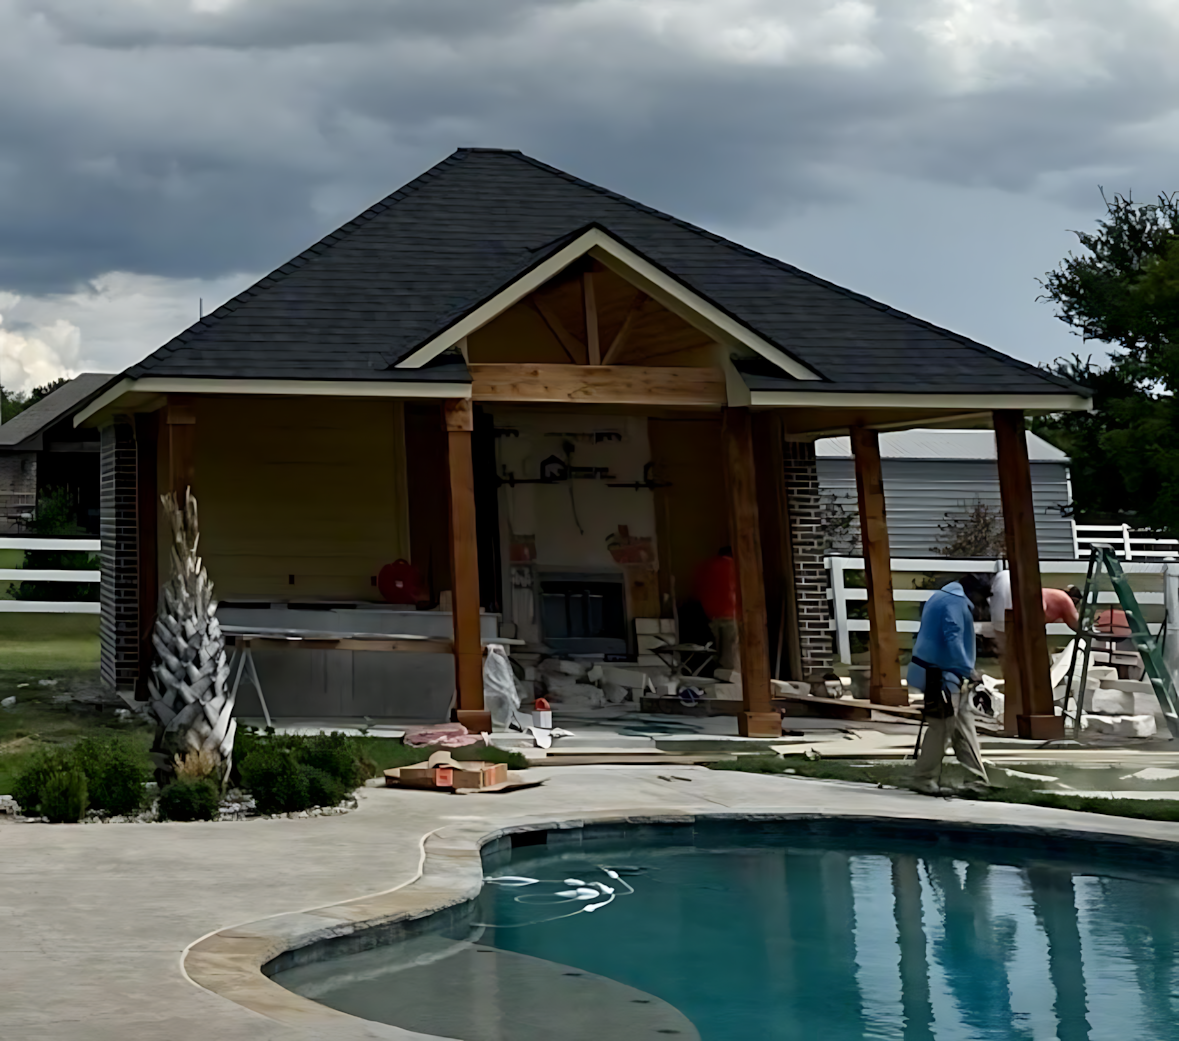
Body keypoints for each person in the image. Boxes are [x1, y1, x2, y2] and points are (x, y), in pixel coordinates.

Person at [909, 574, 992, 794]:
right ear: (972, 592)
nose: (980, 606)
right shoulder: (954, 603)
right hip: (942, 675)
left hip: (947, 674)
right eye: (981, 599)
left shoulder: (942, 597)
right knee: (941, 727)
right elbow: (952, 637)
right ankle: (923, 778)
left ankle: (977, 780)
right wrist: (969, 670)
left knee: (963, 728)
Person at [695, 547, 740, 671]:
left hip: (711, 614)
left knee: (717, 647)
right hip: (730, 613)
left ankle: (718, 673)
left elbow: (701, 588)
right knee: (730, 650)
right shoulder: (733, 567)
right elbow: (733, 590)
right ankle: (729, 677)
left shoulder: (709, 566)